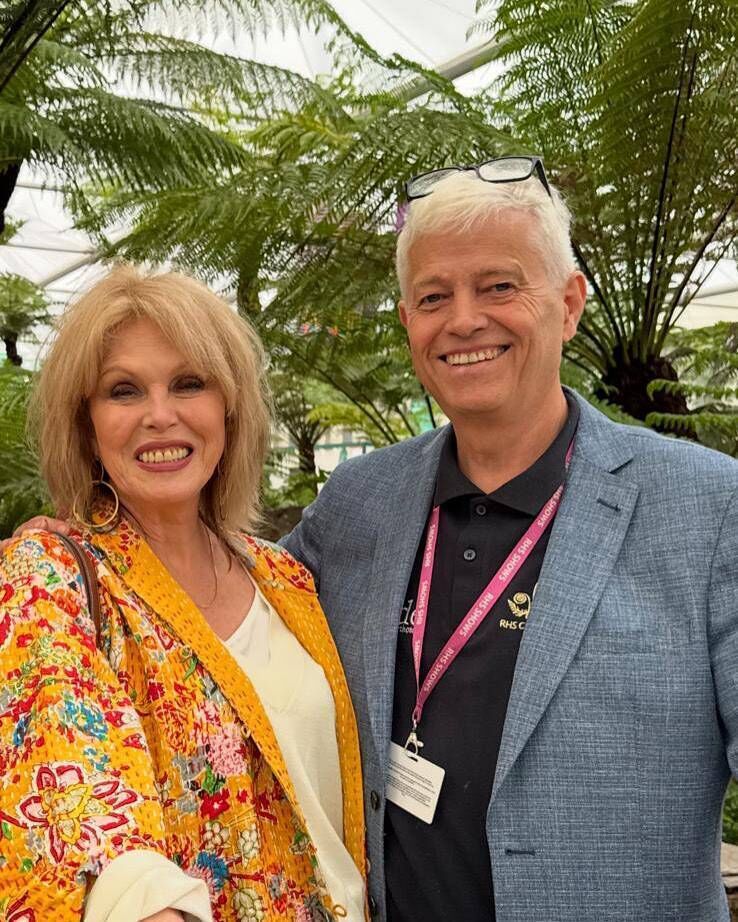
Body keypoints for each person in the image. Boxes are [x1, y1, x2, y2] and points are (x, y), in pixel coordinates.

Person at [280, 159, 738, 920]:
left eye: (498, 286)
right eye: (434, 297)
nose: (463, 320)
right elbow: (226, 612)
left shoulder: (707, 508)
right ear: (408, 325)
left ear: (568, 304)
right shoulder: (358, 504)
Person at [0, 266, 367, 922]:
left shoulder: (285, 580)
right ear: (86, 426)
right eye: (123, 391)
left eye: (188, 383)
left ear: (228, 407)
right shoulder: (50, 579)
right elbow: (72, 779)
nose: (160, 415)